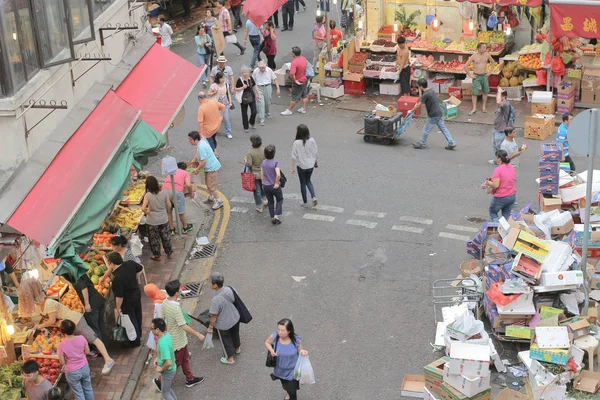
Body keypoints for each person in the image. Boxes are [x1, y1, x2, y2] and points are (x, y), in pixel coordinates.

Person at [33, 283, 115, 375]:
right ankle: (84, 365)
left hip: (76, 321)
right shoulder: (39, 306)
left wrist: (41, 326)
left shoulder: (49, 303)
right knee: (79, 343)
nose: (36, 300)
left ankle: (108, 360)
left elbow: (52, 320)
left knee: (93, 339)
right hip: (67, 325)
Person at [154, 280, 205, 391]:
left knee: (185, 358)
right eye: (179, 289)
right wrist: (198, 334)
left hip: (173, 337)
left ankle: (190, 378)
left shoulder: (165, 303)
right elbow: (183, 326)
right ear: (177, 293)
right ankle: (160, 381)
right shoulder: (175, 308)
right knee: (175, 363)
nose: (181, 289)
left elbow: (162, 318)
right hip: (178, 341)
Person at [106, 251, 143, 347]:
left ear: (111, 263)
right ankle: (139, 333)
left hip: (127, 300)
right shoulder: (129, 264)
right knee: (138, 314)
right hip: (136, 293)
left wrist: (118, 308)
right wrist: (135, 278)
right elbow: (140, 268)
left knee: (131, 319)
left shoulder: (117, 278)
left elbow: (119, 296)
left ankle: (135, 341)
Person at [265, 319, 309, 400]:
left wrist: (303, 352)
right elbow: (267, 342)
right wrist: (271, 351)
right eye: (278, 329)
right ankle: (288, 392)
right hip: (280, 369)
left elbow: (300, 349)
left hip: (292, 371)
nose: (280, 332)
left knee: (293, 392)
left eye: (282, 330)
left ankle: (290, 394)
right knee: (285, 385)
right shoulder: (274, 337)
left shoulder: (296, 339)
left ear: (289, 331)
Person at [412, 79, 457, 150]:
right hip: (439, 113)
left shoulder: (426, 94)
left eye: (418, 86)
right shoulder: (431, 91)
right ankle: (452, 142)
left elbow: (418, 105)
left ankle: (421, 143)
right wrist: (420, 91)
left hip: (433, 115)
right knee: (443, 129)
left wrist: (411, 111)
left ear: (420, 86)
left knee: (426, 129)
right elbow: (421, 98)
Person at [207, 272, 241, 364]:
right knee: (235, 334)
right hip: (235, 317)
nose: (209, 283)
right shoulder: (230, 288)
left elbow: (214, 316)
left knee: (226, 339)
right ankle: (237, 349)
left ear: (215, 285)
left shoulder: (216, 300)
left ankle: (230, 358)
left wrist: (210, 327)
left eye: (210, 282)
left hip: (224, 324)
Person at [68, 274, 106, 355]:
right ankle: (103, 345)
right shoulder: (81, 273)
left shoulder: (76, 276)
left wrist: (87, 303)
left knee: (94, 326)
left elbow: (84, 287)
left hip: (92, 304)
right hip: (98, 299)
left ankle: (98, 350)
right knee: (100, 323)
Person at [58, 320, 94, 400]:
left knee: (78, 393)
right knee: (88, 388)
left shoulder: (61, 345)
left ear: (62, 331)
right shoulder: (81, 338)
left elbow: (62, 362)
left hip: (72, 372)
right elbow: (87, 352)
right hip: (84, 367)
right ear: (74, 329)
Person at [188, 131, 223, 210]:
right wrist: (190, 166)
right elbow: (195, 157)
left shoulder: (201, 147)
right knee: (208, 184)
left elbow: (204, 161)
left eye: (190, 139)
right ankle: (211, 198)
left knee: (211, 186)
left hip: (212, 168)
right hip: (208, 168)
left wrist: (197, 169)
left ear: (195, 139)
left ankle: (219, 200)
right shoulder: (198, 145)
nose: (189, 141)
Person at [142, 176, 173, 261]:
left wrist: (147, 212)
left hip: (152, 221)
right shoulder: (164, 193)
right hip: (163, 219)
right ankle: (169, 253)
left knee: (154, 239)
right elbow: (169, 205)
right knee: (166, 237)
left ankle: (157, 255)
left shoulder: (148, 195)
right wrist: (166, 211)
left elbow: (143, 208)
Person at [162, 162, 193, 234]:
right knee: (181, 211)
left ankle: (171, 229)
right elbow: (188, 185)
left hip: (164, 190)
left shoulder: (171, 172)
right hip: (177, 191)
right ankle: (185, 227)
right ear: (185, 168)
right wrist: (191, 193)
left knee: (168, 211)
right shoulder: (185, 173)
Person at [464, 42, 496, 115]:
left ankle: (484, 107)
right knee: (474, 93)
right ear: (479, 48)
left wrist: (490, 72)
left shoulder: (487, 55)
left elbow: (493, 63)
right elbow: (465, 66)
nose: (485, 49)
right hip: (476, 76)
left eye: (485, 47)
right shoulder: (473, 56)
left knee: (485, 91)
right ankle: (474, 108)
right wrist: (470, 75)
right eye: (483, 47)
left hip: (484, 75)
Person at [485, 150, 517, 221]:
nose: (495, 159)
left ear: (499, 158)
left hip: (501, 197)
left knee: (493, 212)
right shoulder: (512, 168)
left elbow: (496, 185)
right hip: (512, 196)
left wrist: (488, 183)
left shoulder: (498, 170)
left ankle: (497, 228)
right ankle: (506, 230)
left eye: (496, 157)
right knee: (506, 216)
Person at [292, 124, 318, 208]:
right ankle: (313, 196)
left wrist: (292, 168)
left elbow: (294, 156)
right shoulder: (312, 140)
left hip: (301, 166)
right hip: (310, 165)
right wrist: (316, 162)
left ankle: (305, 201)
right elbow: (315, 152)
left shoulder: (296, 143)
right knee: (308, 181)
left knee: (303, 183)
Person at [151, 318, 178, 400]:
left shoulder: (163, 344)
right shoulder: (166, 335)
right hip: (171, 369)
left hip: (168, 371)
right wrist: (158, 357)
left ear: (158, 330)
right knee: (167, 389)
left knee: (165, 394)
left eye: (152, 328)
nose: (151, 330)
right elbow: (166, 353)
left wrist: (161, 368)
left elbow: (168, 362)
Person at [281, 47, 308, 116]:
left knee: (295, 97)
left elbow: (292, 74)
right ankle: (303, 108)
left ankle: (289, 110)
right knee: (304, 95)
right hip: (304, 79)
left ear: (293, 53)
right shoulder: (303, 58)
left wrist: (294, 80)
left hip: (298, 81)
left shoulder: (294, 62)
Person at [261, 144, 284, 224]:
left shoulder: (263, 162)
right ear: (274, 153)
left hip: (266, 185)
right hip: (273, 185)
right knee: (279, 199)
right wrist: (276, 183)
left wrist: (262, 184)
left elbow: (262, 174)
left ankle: (272, 216)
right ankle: (276, 216)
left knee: (270, 201)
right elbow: (278, 174)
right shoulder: (275, 163)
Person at [253, 61, 280, 126]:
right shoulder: (255, 71)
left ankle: (267, 112)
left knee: (268, 101)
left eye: (264, 68)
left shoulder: (269, 70)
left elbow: (275, 78)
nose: (263, 69)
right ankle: (261, 118)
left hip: (268, 87)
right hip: (258, 88)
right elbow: (252, 81)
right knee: (260, 103)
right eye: (261, 68)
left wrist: (278, 88)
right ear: (258, 67)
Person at [245, 134, 267, 212]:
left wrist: (245, 161)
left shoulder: (250, 152)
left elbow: (249, 164)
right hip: (264, 173)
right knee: (263, 186)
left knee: (257, 190)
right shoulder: (264, 149)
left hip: (255, 174)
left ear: (252, 142)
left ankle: (259, 206)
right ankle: (265, 199)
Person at [235, 66, 261, 132]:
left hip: (251, 96)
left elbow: (254, 85)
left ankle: (251, 122)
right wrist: (242, 87)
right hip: (243, 98)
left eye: (247, 72)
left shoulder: (250, 78)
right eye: (244, 72)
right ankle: (246, 127)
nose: (245, 74)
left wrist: (259, 94)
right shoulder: (240, 80)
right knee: (244, 113)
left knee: (254, 111)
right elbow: (236, 89)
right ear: (242, 73)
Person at [208, 72, 233, 139]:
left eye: (223, 77)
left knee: (226, 118)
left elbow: (228, 94)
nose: (223, 79)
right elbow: (208, 93)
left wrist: (230, 102)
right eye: (221, 78)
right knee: (216, 119)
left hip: (225, 103)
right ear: (218, 78)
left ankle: (228, 132)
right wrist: (214, 92)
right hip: (216, 103)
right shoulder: (214, 85)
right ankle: (214, 131)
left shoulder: (226, 84)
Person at [489, 88, 511, 165]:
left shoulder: (505, 104)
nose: (496, 96)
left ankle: (503, 161)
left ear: (503, 96)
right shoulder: (500, 105)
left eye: (498, 95)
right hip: (496, 129)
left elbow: (498, 101)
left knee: (500, 148)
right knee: (495, 146)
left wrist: (499, 91)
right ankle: (496, 160)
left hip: (501, 130)